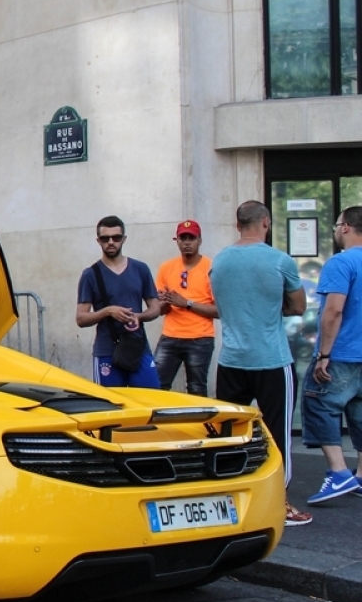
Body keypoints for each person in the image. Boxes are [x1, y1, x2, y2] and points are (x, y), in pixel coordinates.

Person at [210, 200, 312, 527]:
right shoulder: (280, 260)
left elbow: (224, 307)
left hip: (231, 361)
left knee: (229, 433)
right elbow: (297, 307)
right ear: (265, 222)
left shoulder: (220, 262)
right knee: (278, 435)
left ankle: (226, 503)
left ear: (238, 224)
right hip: (270, 360)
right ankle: (280, 503)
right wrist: (268, 307)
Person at [301, 206, 362, 504]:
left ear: (347, 227)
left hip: (342, 353)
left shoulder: (341, 263)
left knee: (318, 403)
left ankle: (338, 473)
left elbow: (334, 311)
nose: (335, 230)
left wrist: (324, 354)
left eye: (337, 224)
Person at [76, 215, 161, 388]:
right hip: (107, 350)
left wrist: (139, 316)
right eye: (105, 238)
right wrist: (108, 311)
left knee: (151, 399)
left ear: (124, 239)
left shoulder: (140, 269)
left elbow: (155, 308)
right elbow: (81, 318)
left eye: (116, 238)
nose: (111, 242)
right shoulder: (90, 274)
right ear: (98, 241)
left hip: (137, 347)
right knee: (113, 407)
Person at [154, 220, 219, 395]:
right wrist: (166, 302)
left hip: (200, 338)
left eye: (192, 238)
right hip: (170, 336)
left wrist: (187, 303)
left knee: (196, 389)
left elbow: (220, 311)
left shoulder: (211, 268)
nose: (187, 242)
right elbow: (160, 310)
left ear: (200, 240)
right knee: (156, 386)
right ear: (176, 240)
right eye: (183, 238)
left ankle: (198, 423)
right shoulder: (167, 267)